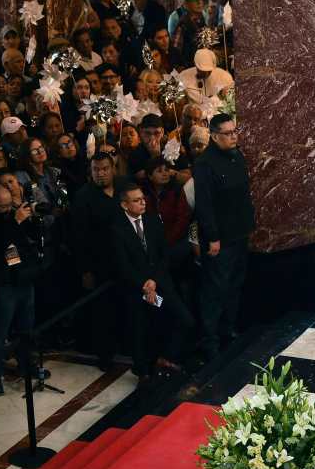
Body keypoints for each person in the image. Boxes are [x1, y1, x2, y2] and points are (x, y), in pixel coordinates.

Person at [111, 184, 193, 384]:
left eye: (142, 198)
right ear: (124, 205)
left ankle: (167, 357)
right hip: (136, 289)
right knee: (140, 329)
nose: (142, 202)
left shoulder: (152, 220)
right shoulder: (116, 229)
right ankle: (144, 371)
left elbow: (164, 255)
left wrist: (153, 281)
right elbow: (123, 265)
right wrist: (144, 286)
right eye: (136, 200)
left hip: (160, 284)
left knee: (184, 319)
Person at [194, 114, 256, 359]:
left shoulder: (237, 156)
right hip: (219, 238)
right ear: (214, 136)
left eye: (235, 131)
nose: (233, 137)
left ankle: (228, 329)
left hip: (239, 232)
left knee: (234, 285)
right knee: (215, 289)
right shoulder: (204, 164)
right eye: (228, 134)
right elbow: (205, 205)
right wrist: (212, 237)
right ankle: (209, 340)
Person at [0, 185, 40, 397]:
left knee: (27, 326)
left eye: (9, 205)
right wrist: (15, 220)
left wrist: (30, 218)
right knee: (0, 331)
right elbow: (0, 243)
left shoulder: (15, 216)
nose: (7, 209)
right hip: (4, 282)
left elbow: (27, 239)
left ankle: (27, 363)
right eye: (2, 206)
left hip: (23, 277)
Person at [71, 153, 124, 368]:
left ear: (113, 169)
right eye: (96, 169)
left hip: (125, 261)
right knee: (103, 311)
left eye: (104, 169)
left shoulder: (123, 189)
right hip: (99, 264)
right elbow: (78, 237)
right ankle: (105, 354)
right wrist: (85, 270)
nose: (100, 173)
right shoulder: (83, 197)